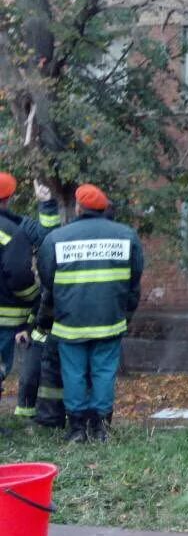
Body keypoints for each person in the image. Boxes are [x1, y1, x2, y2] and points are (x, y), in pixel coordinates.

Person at [36, 184, 143, 442]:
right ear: (104, 208)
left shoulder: (57, 238)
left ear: (78, 207)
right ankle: (101, 428)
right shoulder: (126, 236)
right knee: (104, 373)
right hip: (109, 321)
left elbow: (47, 280)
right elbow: (134, 280)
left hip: (70, 323)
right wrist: (124, 315)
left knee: (73, 373)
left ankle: (77, 429)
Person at [0, 173, 60, 411]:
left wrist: (46, 205)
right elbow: (19, 275)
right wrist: (33, 298)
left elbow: (45, 237)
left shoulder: (14, 224)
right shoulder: (11, 231)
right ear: (8, 197)